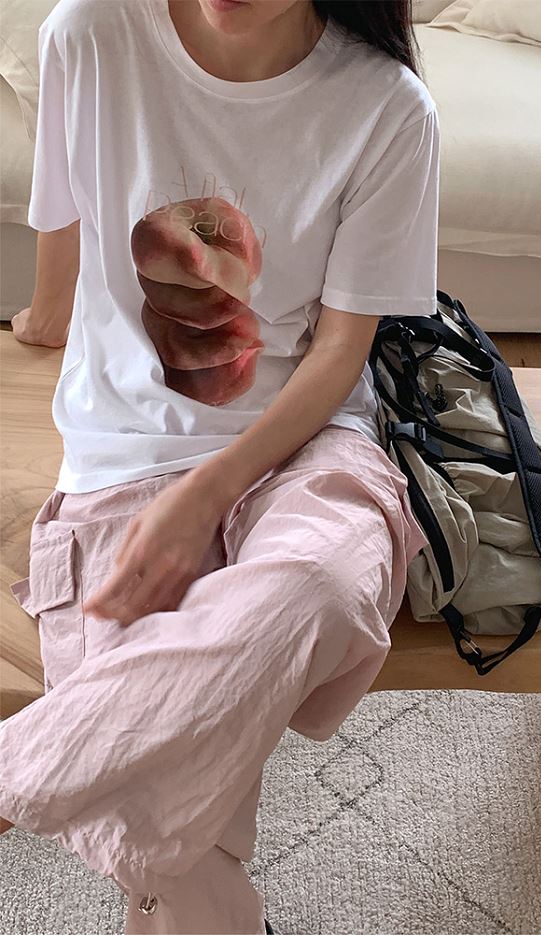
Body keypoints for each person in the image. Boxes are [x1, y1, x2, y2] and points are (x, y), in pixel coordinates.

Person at [0, 0, 439, 931]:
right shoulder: (89, 34)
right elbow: (62, 221)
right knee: (162, 795)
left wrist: (208, 494)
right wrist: (44, 323)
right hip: (124, 451)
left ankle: (18, 773)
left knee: (323, 584)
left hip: (309, 441)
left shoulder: (387, 108)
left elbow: (338, 353)